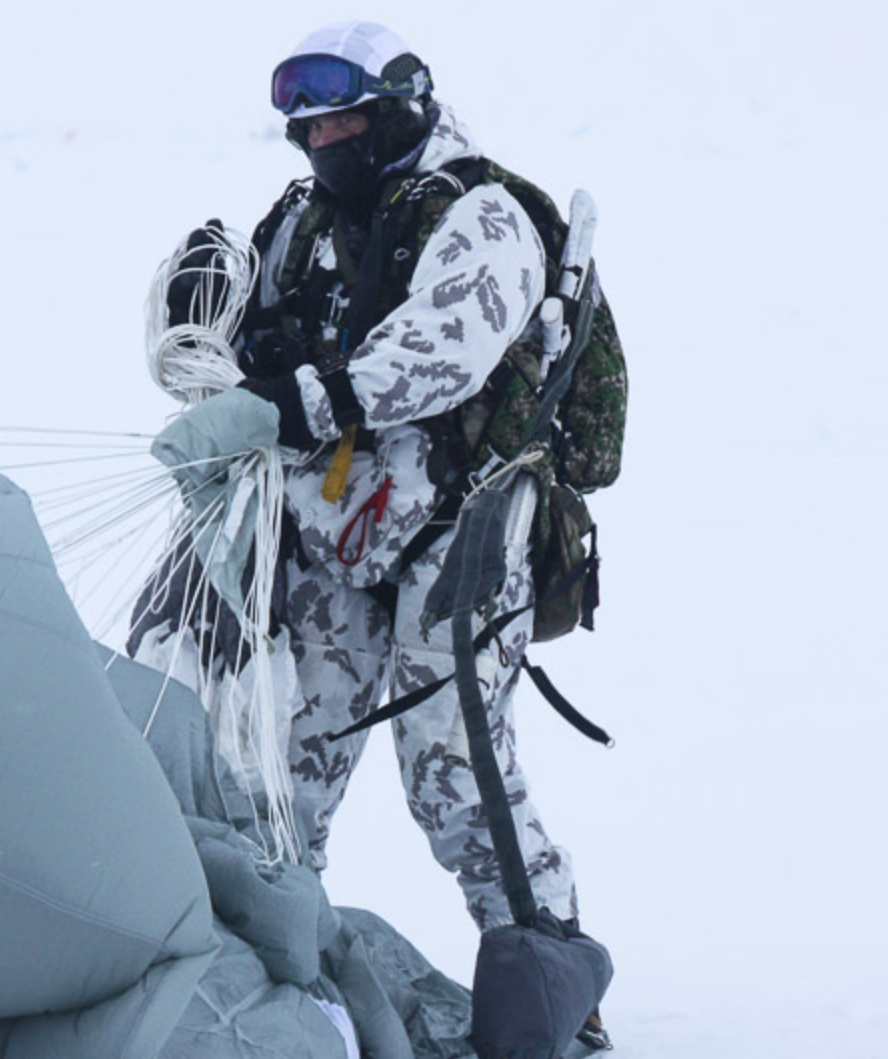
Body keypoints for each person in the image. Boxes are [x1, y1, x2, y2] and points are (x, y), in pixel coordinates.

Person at [161, 21, 628, 935]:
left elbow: (442, 353)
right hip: (332, 530)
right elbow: (236, 346)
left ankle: (542, 969)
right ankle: (266, 960)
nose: (321, 144)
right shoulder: (300, 226)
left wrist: (302, 403)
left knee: (451, 761)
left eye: (341, 126)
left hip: (466, 527)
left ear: (395, 111)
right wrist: (198, 316)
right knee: (284, 760)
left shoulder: (481, 214)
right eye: (309, 132)